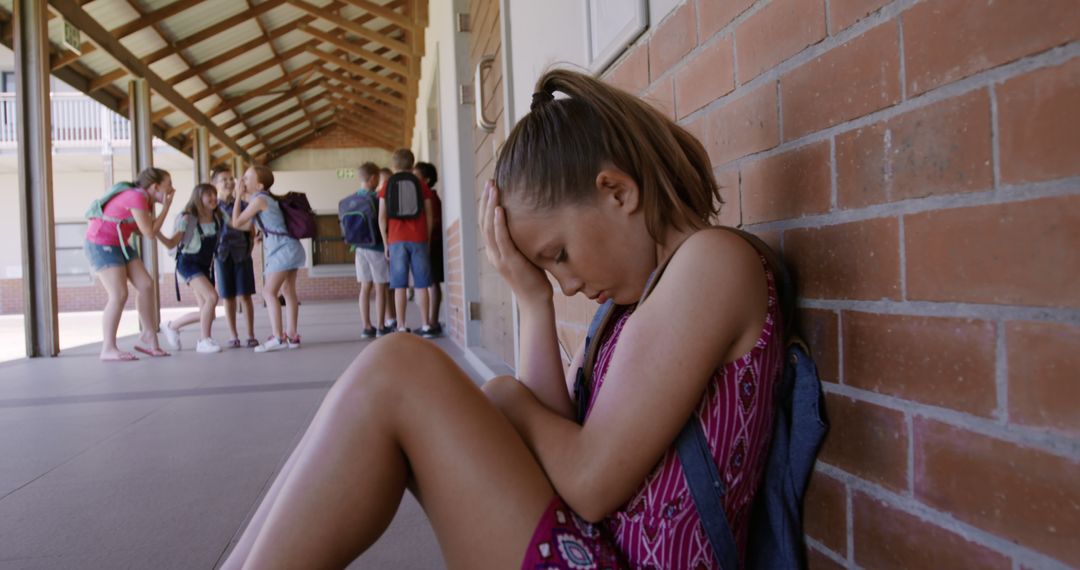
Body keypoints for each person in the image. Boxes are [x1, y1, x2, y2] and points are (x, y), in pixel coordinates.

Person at [221, 68, 782, 569]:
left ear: (616, 190)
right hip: (594, 546)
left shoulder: (713, 264)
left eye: (558, 254)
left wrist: (510, 399)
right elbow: (558, 460)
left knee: (397, 369)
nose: (567, 283)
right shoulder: (635, 304)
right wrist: (533, 301)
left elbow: (589, 481)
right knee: (389, 370)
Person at [83, 167, 175, 361]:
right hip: (101, 242)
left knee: (146, 285)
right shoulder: (136, 197)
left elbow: (144, 231)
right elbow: (150, 233)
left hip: (120, 243)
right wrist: (166, 208)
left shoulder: (146, 200)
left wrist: (161, 212)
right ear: (155, 186)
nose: (172, 189)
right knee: (119, 294)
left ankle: (148, 334)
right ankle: (108, 348)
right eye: (168, 186)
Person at [231, 165, 305, 353]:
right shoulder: (265, 199)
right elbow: (246, 225)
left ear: (259, 185)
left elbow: (236, 222)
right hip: (291, 247)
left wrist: (238, 196)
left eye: (247, 178)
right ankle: (292, 335)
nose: (242, 181)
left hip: (282, 250)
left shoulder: (260, 200)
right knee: (288, 291)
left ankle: (278, 337)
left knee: (268, 292)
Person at [158, 183, 225, 354]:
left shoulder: (217, 217)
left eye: (214, 194)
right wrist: (156, 231)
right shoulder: (187, 218)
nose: (213, 198)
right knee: (212, 297)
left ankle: (172, 326)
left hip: (205, 265)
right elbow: (172, 243)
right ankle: (204, 340)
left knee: (208, 312)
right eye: (208, 195)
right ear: (198, 198)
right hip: (188, 262)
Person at [378, 149, 437, 338]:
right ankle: (426, 325)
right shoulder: (420, 184)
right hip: (418, 238)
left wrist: (386, 242)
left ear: (394, 165)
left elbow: (381, 217)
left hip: (396, 240)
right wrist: (426, 238)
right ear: (413, 164)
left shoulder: (387, 185)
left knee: (399, 285)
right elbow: (429, 214)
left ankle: (401, 325)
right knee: (422, 283)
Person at [341, 162, 392, 338]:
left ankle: (366, 327)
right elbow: (384, 221)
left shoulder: (349, 200)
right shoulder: (376, 199)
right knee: (380, 288)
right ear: (372, 178)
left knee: (365, 287)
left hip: (358, 248)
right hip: (376, 247)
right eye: (377, 178)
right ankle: (380, 326)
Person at [210, 165, 260, 348]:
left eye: (231, 179)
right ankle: (233, 335)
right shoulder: (211, 208)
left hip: (242, 254)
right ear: (214, 184)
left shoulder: (244, 205)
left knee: (245, 295)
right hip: (222, 255)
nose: (230, 182)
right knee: (228, 296)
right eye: (224, 179)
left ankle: (250, 334)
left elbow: (251, 232)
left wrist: (249, 249)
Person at [413, 161, 444, 337]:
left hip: (432, 243)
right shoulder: (426, 197)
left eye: (416, 177)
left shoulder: (431, 198)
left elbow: (435, 222)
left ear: (426, 179)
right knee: (431, 282)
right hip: (428, 243)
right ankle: (432, 321)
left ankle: (433, 322)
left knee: (432, 282)